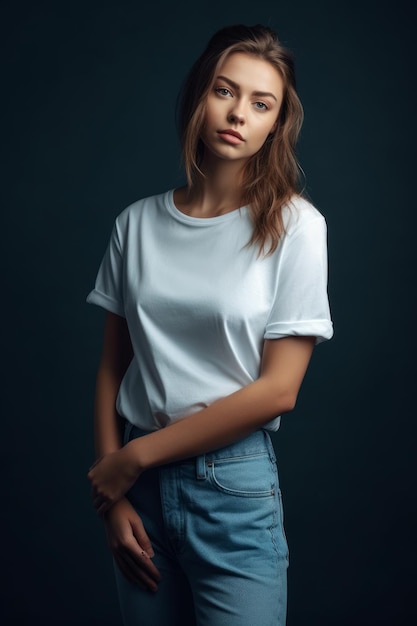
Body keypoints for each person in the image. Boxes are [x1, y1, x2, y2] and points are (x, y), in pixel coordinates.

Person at [86, 23, 333, 626]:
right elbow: (113, 368)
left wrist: (135, 458)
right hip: (135, 494)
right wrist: (111, 494)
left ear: (276, 123)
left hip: (232, 491)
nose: (238, 113)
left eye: (261, 103)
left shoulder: (296, 226)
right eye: (226, 91)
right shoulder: (136, 225)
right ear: (201, 94)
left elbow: (280, 390)